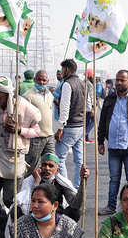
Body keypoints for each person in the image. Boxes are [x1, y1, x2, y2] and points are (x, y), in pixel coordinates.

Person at [0, 76, 40, 238]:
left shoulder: (22, 106)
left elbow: (36, 130)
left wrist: (19, 130)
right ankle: (1, 237)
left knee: (12, 201)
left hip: (12, 162)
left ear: (7, 94)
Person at [97, 69, 128, 215]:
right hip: (112, 145)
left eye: (122, 80)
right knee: (114, 179)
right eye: (117, 80)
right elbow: (102, 121)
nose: (118, 83)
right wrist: (100, 142)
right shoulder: (109, 99)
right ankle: (111, 206)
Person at [11, 154, 89, 227]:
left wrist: (82, 183)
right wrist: (37, 183)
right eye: (44, 165)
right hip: (36, 215)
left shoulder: (61, 184)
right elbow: (26, 205)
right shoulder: (31, 181)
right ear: (40, 167)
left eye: (51, 166)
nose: (47, 168)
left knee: (75, 212)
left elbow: (76, 204)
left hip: (56, 217)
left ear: (57, 171)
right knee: (15, 211)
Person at [54, 59, 85, 188]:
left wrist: (60, 127)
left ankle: (67, 188)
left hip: (70, 126)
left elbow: (65, 107)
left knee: (59, 159)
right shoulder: (82, 83)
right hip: (80, 125)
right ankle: (77, 187)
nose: (61, 72)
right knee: (79, 160)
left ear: (67, 69)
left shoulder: (67, 84)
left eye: (62, 69)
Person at [23, 69, 56, 174]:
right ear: (34, 80)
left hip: (49, 136)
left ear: (47, 81)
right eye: (39, 80)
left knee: (51, 166)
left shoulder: (50, 95)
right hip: (36, 138)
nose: (41, 82)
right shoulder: (28, 96)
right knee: (30, 166)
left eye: (44, 80)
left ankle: (47, 189)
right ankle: (25, 189)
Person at [84, 69, 96, 144]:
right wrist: (92, 108)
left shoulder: (83, 83)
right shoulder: (89, 84)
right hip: (88, 107)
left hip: (84, 107)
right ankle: (84, 135)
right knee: (93, 121)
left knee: (87, 123)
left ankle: (86, 138)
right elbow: (91, 97)